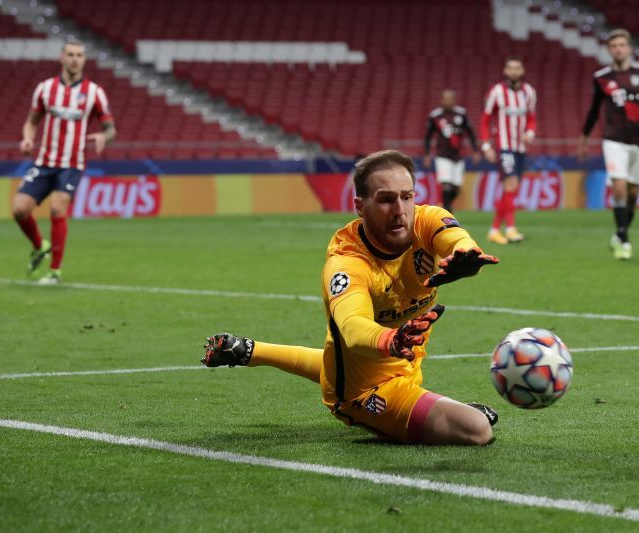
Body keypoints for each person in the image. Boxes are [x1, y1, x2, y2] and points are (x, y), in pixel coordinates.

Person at [202, 150, 500, 445]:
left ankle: (249, 351)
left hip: (402, 366)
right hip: (363, 392)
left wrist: (464, 255)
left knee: (339, 362)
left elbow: (454, 238)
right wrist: (391, 340)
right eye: (386, 199)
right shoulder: (347, 265)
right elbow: (353, 328)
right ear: (360, 205)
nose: (400, 210)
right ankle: (445, 412)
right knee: (477, 428)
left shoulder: (425, 220)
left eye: (407, 196)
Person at [12, 40, 116, 284]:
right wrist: (28, 139)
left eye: (79, 55)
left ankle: (55, 272)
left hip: (72, 163)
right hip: (45, 161)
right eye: (70, 54)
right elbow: (32, 121)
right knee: (19, 209)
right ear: (61, 57)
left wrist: (104, 136)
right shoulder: (45, 89)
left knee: (58, 208)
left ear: (84, 60)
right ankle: (40, 246)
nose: (74, 59)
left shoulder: (94, 92)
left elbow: (111, 129)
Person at [577, 28, 639, 260]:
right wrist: (584, 137)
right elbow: (593, 110)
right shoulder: (602, 77)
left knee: (633, 193)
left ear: (629, 48)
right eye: (613, 46)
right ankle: (624, 240)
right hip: (614, 141)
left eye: (621, 45)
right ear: (609, 50)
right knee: (619, 187)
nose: (618, 49)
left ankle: (620, 234)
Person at [480, 56, 537, 245]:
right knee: (511, 184)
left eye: (517, 68)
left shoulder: (529, 92)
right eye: (510, 68)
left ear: (522, 71)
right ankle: (510, 229)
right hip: (504, 146)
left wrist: (530, 132)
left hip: (520, 147)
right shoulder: (497, 92)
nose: (513, 71)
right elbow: (485, 120)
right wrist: (486, 145)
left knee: (511, 189)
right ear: (505, 71)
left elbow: (532, 118)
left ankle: (495, 229)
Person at [423, 90, 479, 212]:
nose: (448, 101)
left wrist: (475, 150)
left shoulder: (461, 114)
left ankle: (445, 204)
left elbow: (470, 133)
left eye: (450, 99)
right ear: (441, 100)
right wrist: (427, 154)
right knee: (446, 184)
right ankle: (448, 211)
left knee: (456, 188)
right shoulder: (435, 116)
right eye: (446, 99)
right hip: (442, 155)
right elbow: (428, 136)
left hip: (458, 156)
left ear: (454, 100)